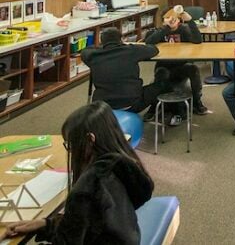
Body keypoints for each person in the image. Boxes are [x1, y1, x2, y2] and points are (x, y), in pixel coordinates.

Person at [1, 102, 154, 243]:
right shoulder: (122, 164)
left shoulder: (87, 187)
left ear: (90, 139)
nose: (71, 151)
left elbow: (68, 241)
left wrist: (49, 227)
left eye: (71, 144)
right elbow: (89, 220)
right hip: (127, 237)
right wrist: (46, 223)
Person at [82, 27, 170, 118]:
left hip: (102, 106)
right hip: (132, 104)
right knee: (159, 82)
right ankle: (160, 112)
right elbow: (153, 49)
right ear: (121, 39)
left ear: (101, 41)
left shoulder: (93, 55)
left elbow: (86, 51)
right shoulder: (131, 50)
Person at [144, 5, 209, 126]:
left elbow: (197, 40)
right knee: (161, 75)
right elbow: (148, 42)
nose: (171, 20)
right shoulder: (159, 31)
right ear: (163, 20)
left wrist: (190, 21)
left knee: (193, 69)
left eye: (174, 18)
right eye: (167, 17)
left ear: (179, 19)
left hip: (181, 66)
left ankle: (197, 102)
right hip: (164, 66)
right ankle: (153, 107)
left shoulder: (184, 30)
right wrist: (166, 29)